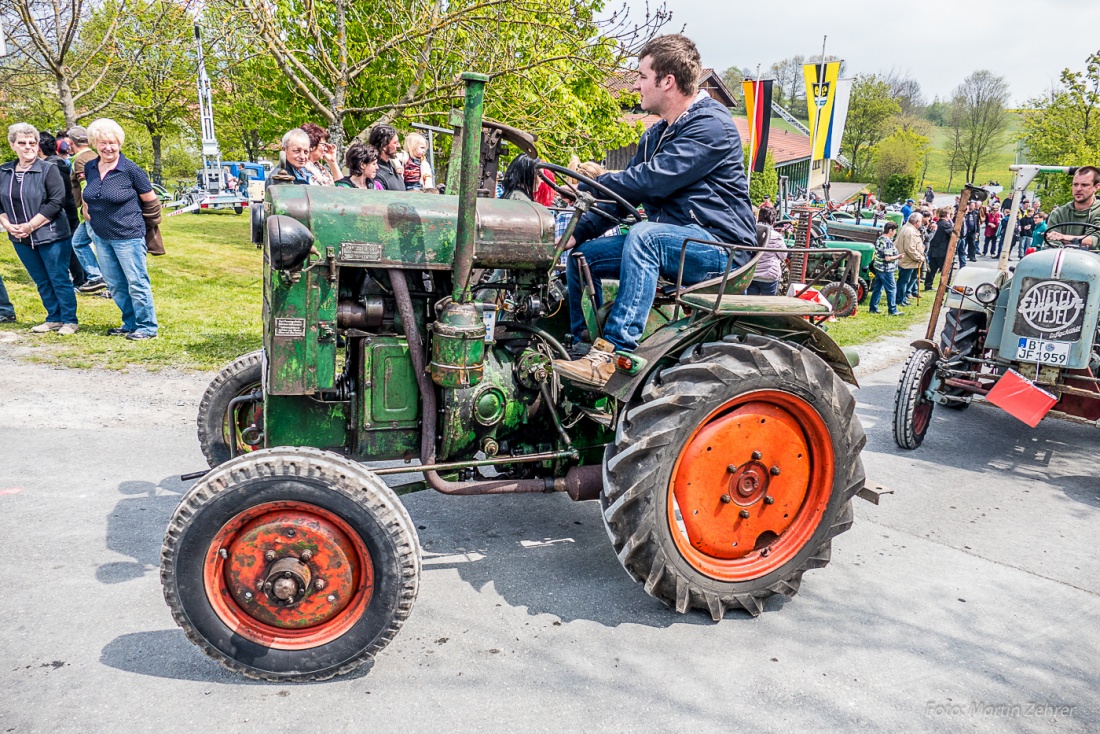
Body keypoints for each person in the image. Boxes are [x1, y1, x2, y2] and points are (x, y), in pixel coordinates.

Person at [551, 34, 757, 388]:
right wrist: (575, 234)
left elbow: (652, 181)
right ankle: (583, 349)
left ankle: (612, 353)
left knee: (644, 236)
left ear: (667, 81)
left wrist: (591, 183)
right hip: (676, 243)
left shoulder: (712, 126)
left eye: (642, 76)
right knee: (583, 256)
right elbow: (621, 197)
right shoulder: (656, 135)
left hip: (723, 250)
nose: (636, 85)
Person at [81, 118, 161, 340]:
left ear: (120, 143)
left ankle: (147, 327)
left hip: (128, 237)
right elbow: (90, 194)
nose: (108, 147)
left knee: (136, 282)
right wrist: (87, 212)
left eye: (112, 143)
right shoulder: (90, 167)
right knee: (115, 284)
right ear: (95, 144)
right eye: (102, 143)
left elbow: (152, 202)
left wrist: (146, 227)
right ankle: (130, 323)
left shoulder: (131, 170)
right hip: (101, 236)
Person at [0, 123, 78, 334]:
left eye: (32, 143)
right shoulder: (4, 171)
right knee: (41, 280)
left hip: (51, 234)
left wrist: (30, 226)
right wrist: (8, 225)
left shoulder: (48, 169)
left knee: (58, 277)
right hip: (20, 237)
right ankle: (53, 317)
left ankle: (70, 320)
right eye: (22, 143)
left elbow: (56, 202)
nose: (28, 147)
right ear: (12, 145)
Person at [39, 131, 86, 290]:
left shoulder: (51, 167)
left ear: (39, 149)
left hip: (63, 211)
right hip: (68, 209)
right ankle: (82, 279)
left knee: (71, 246)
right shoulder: (58, 163)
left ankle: (81, 281)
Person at [66, 125, 108, 293]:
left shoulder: (82, 159)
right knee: (78, 242)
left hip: (91, 213)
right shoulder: (92, 155)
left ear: (70, 142)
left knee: (103, 250)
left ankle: (105, 281)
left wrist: (86, 210)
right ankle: (96, 277)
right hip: (92, 213)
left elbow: (87, 186)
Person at [1045, 166, 1100, 248]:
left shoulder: (1098, 211)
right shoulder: (1058, 213)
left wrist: (1063, 237)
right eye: (1075, 184)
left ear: (1096, 187)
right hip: (1064, 258)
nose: (1078, 189)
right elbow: (1052, 242)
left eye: (1084, 185)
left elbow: (1094, 240)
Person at [746, 206, 785, 295]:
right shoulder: (776, 236)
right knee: (768, 303)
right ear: (773, 219)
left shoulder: (751, 233)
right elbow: (783, 256)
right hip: (769, 274)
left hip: (751, 273)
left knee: (750, 303)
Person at [868, 221, 902, 316]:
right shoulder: (887, 242)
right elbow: (888, 258)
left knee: (878, 287)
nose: (895, 232)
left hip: (878, 267)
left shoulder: (880, 239)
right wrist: (898, 256)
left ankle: (873, 307)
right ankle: (892, 310)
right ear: (890, 230)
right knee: (891, 288)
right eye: (894, 230)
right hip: (886, 269)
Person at [895, 212, 924, 307]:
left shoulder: (906, 227)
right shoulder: (910, 231)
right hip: (907, 261)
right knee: (903, 281)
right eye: (920, 221)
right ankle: (900, 300)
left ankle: (902, 298)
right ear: (917, 222)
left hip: (906, 260)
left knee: (904, 281)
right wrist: (920, 258)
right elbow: (910, 248)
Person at [368, 125, 405, 191]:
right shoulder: (375, 173)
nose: (399, 145)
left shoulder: (392, 166)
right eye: (395, 143)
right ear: (384, 146)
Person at [924, 207, 953, 290]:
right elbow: (952, 235)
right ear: (947, 215)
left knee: (932, 269)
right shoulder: (946, 225)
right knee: (945, 270)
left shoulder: (936, 223)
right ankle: (945, 286)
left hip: (933, 250)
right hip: (942, 251)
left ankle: (928, 285)